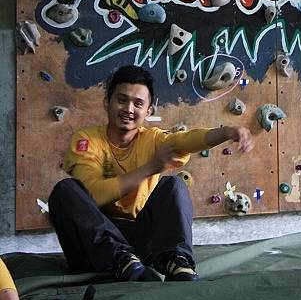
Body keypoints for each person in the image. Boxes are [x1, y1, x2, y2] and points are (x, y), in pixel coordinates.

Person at [49, 65, 254, 283]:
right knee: (65, 191)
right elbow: (93, 194)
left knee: (173, 185)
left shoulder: (152, 139)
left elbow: (186, 140)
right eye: (121, 100)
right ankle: (120, 260)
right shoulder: (86, 140)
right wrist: (150, 168)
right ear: (106, 102)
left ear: (148, 111)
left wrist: (226, 132)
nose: (129, 109)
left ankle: (176, 260)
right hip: (92, 246)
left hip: (137, 249)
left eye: (138, 104)